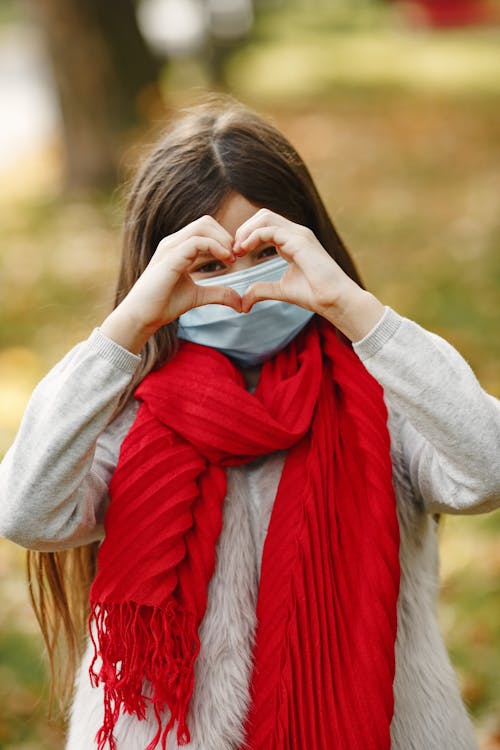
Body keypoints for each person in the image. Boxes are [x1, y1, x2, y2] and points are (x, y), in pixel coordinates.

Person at [0, 98, 499, 750]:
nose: (241, 291)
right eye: (208, 268)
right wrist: (123, 331)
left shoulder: (385, 388)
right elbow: (26, 512)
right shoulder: (121, 412)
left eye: (263, 253)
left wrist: (354, 309)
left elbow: (486, 470)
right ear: (161, 273)